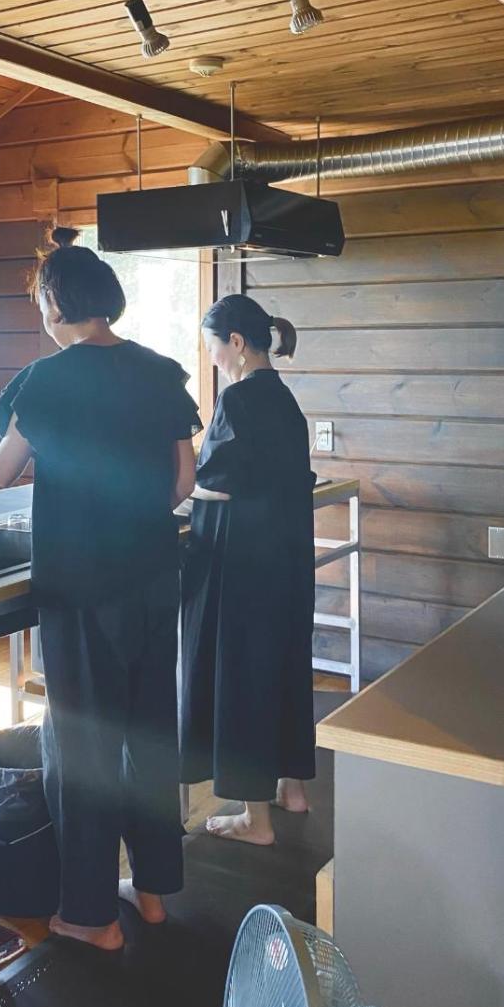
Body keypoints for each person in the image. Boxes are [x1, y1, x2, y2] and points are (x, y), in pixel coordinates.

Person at [0, 227, 200, 950]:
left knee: (84, 746)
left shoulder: (46, 380)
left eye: (41, 297)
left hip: (81, 586)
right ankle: (152, 894)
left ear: (57, 302)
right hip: (153, 576)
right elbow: (182, 482)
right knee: (149, 735)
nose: (40, 311)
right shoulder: (161, 372)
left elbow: (1, 469)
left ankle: (91, 917)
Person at [180, 293, 316, 845]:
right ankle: (292, 788)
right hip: (286, 558)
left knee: (243, 675)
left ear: (236, 343)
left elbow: (215, 482)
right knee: (283, 664)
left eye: (213, 347)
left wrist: (178, 487)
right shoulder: (283, 397)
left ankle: (255, 820)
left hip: (245, 560)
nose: (212, 358)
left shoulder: (237, 399)